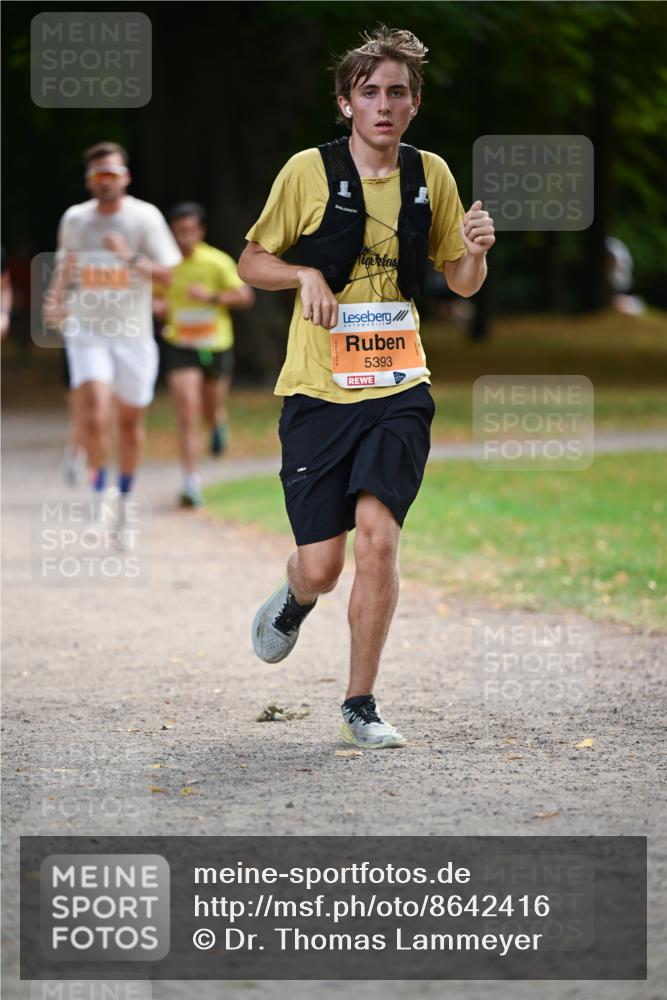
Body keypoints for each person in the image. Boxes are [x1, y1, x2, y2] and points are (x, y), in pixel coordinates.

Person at [238, 26, 495, 749]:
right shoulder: (307, 172)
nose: (384, 105)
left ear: (413, 105)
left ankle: (360, 703)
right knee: (322, 564)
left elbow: (459, 280)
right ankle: (295, 596)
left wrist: (473, 254)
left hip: (397, 382)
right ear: (346, 103)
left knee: (377, 540)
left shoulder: (430, 175)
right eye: (370, 92)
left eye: (397, 93)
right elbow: (251, 261)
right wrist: (301, 274)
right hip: (318, 389)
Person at [46, 141, 181, 516]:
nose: (105, 181)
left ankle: (123, 494)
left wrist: (128, 257)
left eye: (112, 174)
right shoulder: (75, 219)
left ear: (125, 178)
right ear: (90, 181)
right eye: (98, 175)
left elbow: (169, 274)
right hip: (86, 328)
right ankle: (97, 489)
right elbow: (66, 264)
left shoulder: (145, 218)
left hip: (133, 333)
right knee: (94, 408)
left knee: (129, 421)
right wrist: (55, 300)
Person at [155, 202, 254, 507]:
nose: (184, 236)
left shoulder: (216, 262)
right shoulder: (163, 265)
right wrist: (156, 307)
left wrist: (210, 296)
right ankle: (190, 480)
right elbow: (151, 299)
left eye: (190, 230)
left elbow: (244, 296)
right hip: (179, 344)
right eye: (179, 231)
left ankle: (217, 422)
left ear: (200, 231)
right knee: (187, 409)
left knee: (210, 406)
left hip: (214, 344)